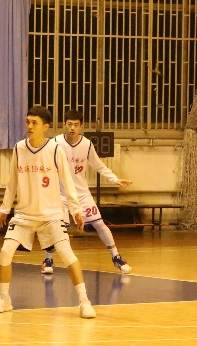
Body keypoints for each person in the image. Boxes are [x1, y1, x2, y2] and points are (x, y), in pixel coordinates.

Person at [0, 105, 96, 319]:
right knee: (5, 252)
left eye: (34, 123)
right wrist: (4, 209)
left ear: (45, 127)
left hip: (52, 216)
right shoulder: (19, 148)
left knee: (67, 255)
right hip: (24, 215)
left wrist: (76, 210)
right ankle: (4, 299)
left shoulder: (55, 149)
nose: (29, 126)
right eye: (27, 122)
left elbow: (68, 181)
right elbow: (12, 182)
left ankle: (84, 301)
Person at [42, 109, 134, 275]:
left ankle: (116, 257)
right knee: (57, 227)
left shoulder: (87, 144)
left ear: (81, 126)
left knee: (99, 224)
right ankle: (48, 259)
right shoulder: (55, 143)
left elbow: (99, 165)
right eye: (69, 124)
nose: (72, 128)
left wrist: (114, 178)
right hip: (60, 195)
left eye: (76, 125)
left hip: (82, 195)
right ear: (64, 125)